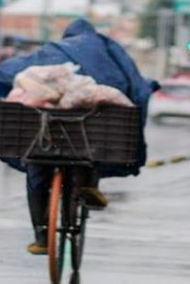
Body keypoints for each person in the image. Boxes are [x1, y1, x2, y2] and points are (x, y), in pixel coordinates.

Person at [0, 19, 156, 255]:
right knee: (91, 148)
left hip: (44, 133)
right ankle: (89, 186)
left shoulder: (52, 51)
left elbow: (12, 71)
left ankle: (41, 237)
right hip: (85, 128)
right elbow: (132, 79)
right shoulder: (106, 49)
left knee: (36, 171)